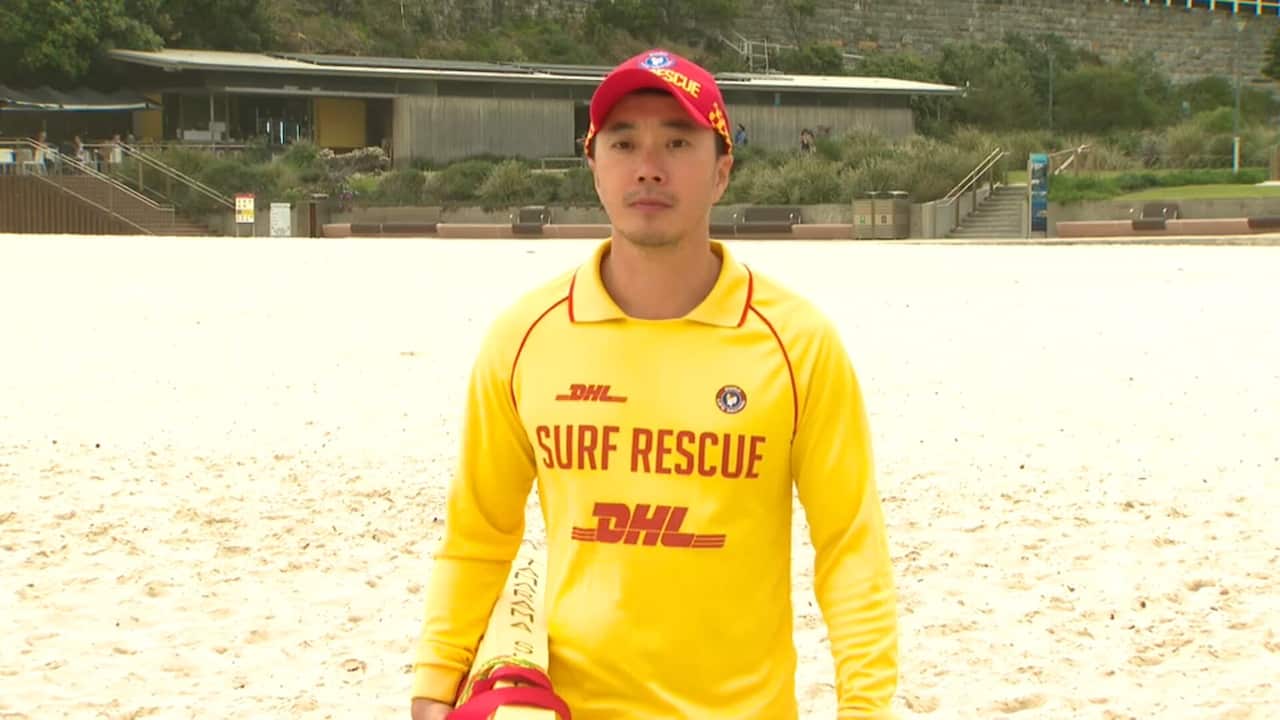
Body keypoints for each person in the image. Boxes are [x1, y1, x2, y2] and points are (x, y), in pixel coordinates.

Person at [410, 48, 899, 720]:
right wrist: (435, 685)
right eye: (623, 142)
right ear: (594, 165)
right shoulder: (526, 337)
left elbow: (850, 545)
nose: (648, 165)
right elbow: (478, 535)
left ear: (722, 168)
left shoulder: (797, 344)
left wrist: (867, 709)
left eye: (677, 140)